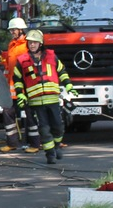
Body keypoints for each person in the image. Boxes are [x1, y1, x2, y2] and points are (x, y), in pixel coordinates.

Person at [12, 29, 75, 165]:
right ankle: (50, 154)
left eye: (34, 42)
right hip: (35, 102)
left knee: (58, 127)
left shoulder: (52, 56)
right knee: (44, 130)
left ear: (40, 44)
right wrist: (20, 93)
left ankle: (56, 146)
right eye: (30, 42)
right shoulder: (22, 61)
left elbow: (62, 71)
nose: (32, 45)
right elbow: (17, 79)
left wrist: (68, 85)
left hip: (52, 100)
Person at [0, 18, 41, 153]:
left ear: (21, 30)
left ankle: (35, 144)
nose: (12, 32)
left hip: (26, 87)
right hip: (13, 87)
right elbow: (9, 64)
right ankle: (12, 143)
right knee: (8, 113)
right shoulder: (12, 45)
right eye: (11, 30)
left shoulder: (27, 45)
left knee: (30, 115)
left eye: (14, 30)